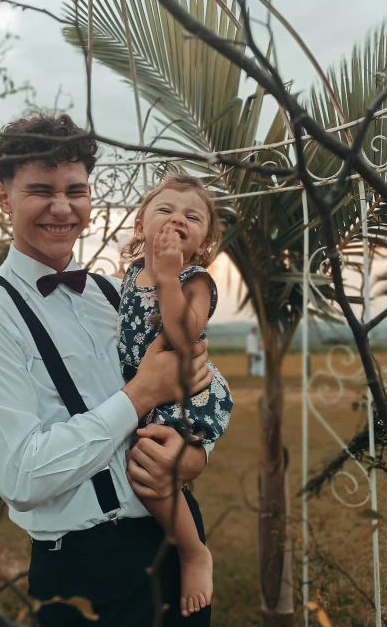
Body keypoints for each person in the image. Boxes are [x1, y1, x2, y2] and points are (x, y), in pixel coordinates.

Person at [0, 113, 215, 627]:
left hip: (175, 542)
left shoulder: (121, 294)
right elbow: (22, 476)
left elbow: (195, 388)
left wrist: (194, 454)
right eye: (40, 190)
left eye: (75, 190)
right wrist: (135, 396)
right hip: (87, 568)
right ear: (2, 196)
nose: (62, 207)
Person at [117, 173, 233, 617]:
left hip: (184, 395)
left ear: (205, 239)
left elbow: (185, 337)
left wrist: (168, 277)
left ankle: (192, 551)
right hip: (151, 391)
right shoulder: (130, 274)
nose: (178, 218)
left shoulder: (194, 278)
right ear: (140, 225)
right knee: (149, 468)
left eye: (193, 215)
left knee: (148, 472)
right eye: (165, 209)